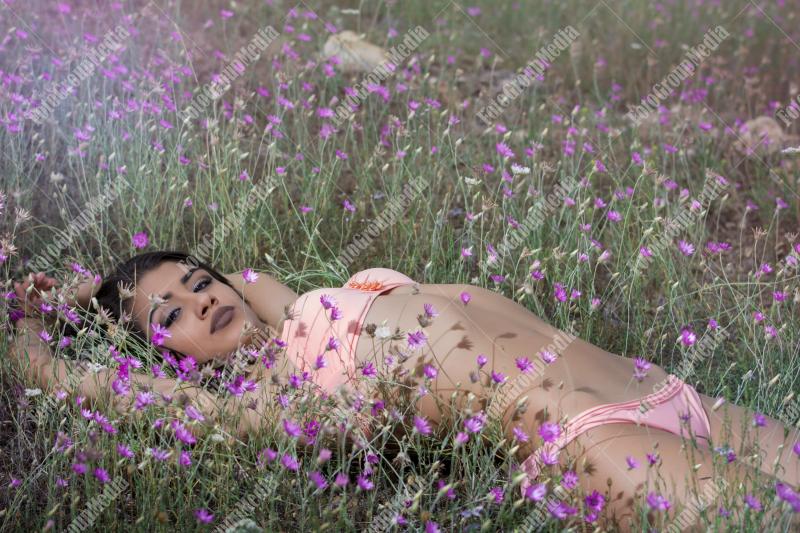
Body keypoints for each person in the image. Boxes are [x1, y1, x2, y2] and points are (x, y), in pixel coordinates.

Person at [8, 251, 799, 529]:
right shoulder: (263, 404)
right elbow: (43, 373)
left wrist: (103, 284)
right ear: (159, 359)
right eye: (171, 314)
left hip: (669, 390)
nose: (203, 297)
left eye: (196, 279)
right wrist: (45, 318)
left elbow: (249, 277)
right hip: (589, 437)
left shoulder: (291, 309)